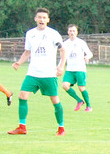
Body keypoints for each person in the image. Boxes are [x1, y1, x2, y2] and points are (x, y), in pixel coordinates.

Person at [8, 8, 67, 136]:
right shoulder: (30, 34)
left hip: (48, 74)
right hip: (33, 73)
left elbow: (63, 51)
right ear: (35, 19)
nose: (41, 20)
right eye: (39, 17)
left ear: (48, 20)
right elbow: (27, 52)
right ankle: (22, 127)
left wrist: (61, 66)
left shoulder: (53, 34)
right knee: (22, 96)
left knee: (55, 100)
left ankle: (61, 128)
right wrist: (19, 62)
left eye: (44, 18)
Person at [61, 25, 93, 111]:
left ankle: (89, 106)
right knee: (65, 85)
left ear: (77, 32)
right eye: (70, 31)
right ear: (68, 32)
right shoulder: (65, 44)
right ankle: (79, 100)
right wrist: (60, 66)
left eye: (74, 31)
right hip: (69, 70)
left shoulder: (81, 42)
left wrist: (87, 57)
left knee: (81, 88)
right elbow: (63, 57)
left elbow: (90, 53)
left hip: (80, 69)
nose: (72, 33)